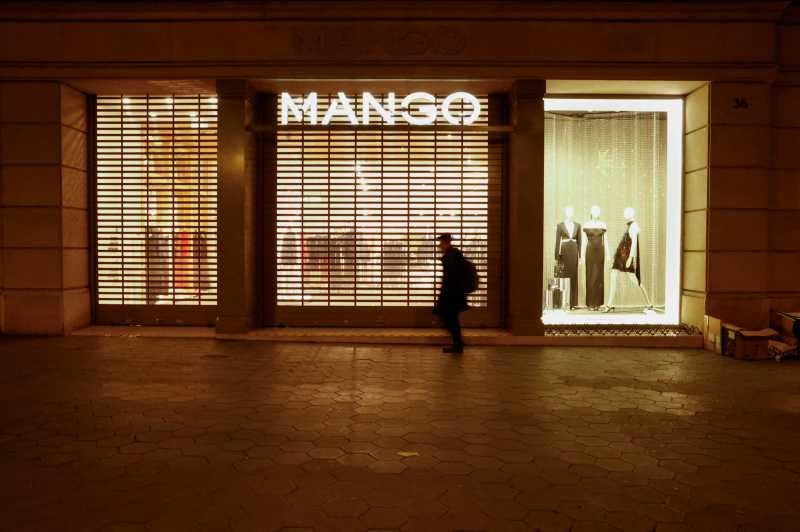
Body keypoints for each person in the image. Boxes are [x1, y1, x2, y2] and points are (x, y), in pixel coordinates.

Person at [434, 233, 468, 354]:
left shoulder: (451, 255)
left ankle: (458, 344)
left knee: (450, 319)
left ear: (445, 242)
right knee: (451, 319)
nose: (439, 245)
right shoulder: (453, 254)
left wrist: (445, 294)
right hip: (454, 293)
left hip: (452, 294)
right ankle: (458, 343)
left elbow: (451, 277)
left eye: (440, 242)